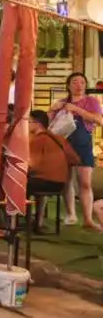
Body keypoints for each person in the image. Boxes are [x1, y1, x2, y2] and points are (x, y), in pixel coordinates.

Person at [51, 72, 103, 229]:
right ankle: (70, 214)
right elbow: (49, 124)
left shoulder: (91, 101)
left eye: (82, 82)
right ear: (68, 85)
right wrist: (52, 109)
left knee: (85, 183)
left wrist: (76, 109)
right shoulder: (61, 102)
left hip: (83, 143)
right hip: (63, 143)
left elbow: (99, 120)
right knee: (66, 181)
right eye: (74, 82)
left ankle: (88, 219)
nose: (79, 85)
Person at [28, 109, 81, 232]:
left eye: (29, 122)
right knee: (36, 183)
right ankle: (38, 222)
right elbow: (75, 159)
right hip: (59, 185)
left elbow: (31, 165)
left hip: (44, 182)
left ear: (37, 124)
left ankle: (17, 221)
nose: (27, 125)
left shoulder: (37, 140)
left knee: (14, 184)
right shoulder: (59, 139)